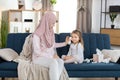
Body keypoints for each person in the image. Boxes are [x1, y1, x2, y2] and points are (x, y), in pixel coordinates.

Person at [32, 11, 69, 80]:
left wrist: (65, 43)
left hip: (48, 57)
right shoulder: (37, 34)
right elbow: (37, 52)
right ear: (47, 22)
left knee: (60, 61)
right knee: (54, 62)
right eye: (52, 23)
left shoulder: (51, 32)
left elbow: (53, 45)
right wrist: (51, 56)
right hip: (38, 58)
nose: (54, 25)